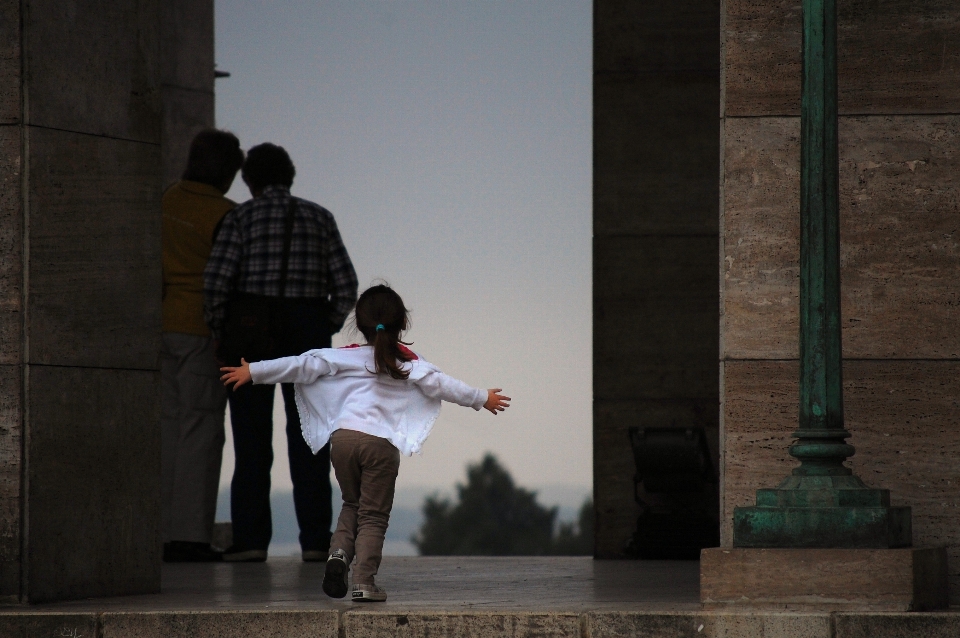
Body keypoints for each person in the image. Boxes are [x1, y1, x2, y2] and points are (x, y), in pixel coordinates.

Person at [219, 284, 510, 601]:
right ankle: (364, 582)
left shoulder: (342, 357)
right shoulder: (407, 363)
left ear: (359, 324)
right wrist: (483, 398)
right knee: (373, 515)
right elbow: (443, 385)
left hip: (342, 441)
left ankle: (338, 555)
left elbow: (302, 364)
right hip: (379, 446)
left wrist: (255, 371)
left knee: (352, 504)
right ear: (403, 324)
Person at [204, 143, 359, 563]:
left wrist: (221, 330)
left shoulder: (239, 217)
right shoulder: (320, 217)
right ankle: (314, 540)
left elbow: (217, 282)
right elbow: (346, 283)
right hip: (307, 331)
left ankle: (252, 540)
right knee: (309, 438)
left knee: (251, 440)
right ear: (290, 176)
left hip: (249, 339)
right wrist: (322, 321)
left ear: (249, 180)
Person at [160, 129, 245, 562]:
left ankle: (159, 531)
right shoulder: (226, 215)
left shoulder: (166, 200)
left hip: (163, 325)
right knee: (203, 431)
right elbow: (225, 283)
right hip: (201, 332)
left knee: (170, 430)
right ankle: (190, 536)